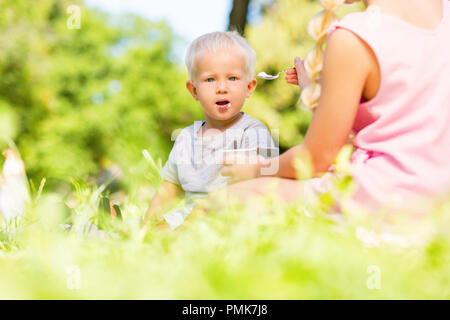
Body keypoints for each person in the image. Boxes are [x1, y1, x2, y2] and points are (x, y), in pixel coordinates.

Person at [219, 0, 450, 215]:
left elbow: (316, 160)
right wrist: (315, 89)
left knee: (220, 201)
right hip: (439, 204)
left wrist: (255, 168)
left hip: (379, 201)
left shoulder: (355, 35)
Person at [144, 31, 276, 229]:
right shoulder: (186, 138)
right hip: (189, 218)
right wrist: (148, 223)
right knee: (156, 228)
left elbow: (262, 187)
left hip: (235, 216)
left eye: (232, 78)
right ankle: (121, 227)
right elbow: (168, 190)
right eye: (210, 80)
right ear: (194, 90)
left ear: (249, 87)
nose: (222, 88)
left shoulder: (253, 132)